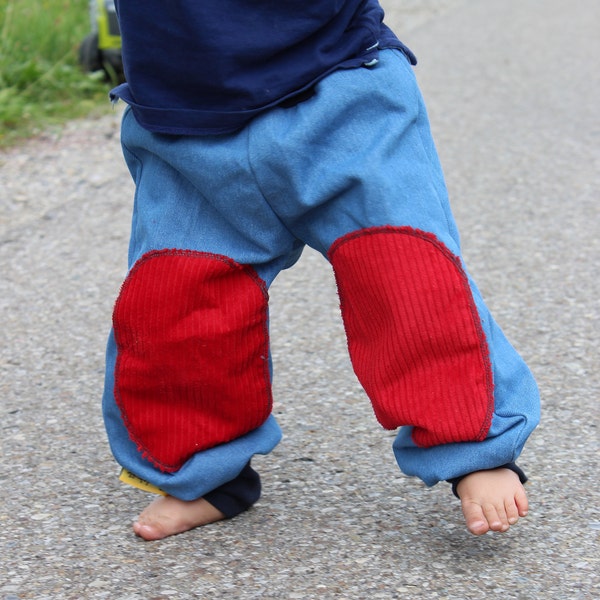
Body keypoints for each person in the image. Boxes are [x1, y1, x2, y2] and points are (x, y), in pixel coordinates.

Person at [103, 0, 540, 541]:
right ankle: (202, 472)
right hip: (181, 114)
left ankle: (475, 449)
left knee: (405, 271)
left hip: (339, 86)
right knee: (176, 299)